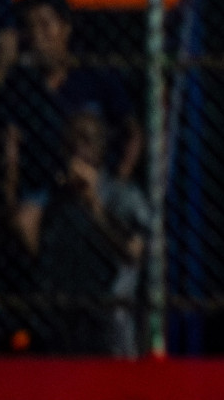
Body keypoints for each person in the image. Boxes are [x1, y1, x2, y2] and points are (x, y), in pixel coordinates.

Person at [2, 0, 142, 254]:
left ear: (65, 28)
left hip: (97, 178)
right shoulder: (23, 87)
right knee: (23, 222)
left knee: (116, 223)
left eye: (46, 25)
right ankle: (49, 272)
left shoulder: (94, 75)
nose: (38, 36)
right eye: (30, 27)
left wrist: (119, 179)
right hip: (47, 183)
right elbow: (12, 147)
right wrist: (10, 200)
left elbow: (133, 133)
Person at [35, 109, 149, 354]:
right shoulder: (58, 201)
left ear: (101, 147)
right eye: (72, 140)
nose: (78, 147)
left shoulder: (124, 196)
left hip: (111, 320)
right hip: (65, 323)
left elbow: (133, 253)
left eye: (86, 139)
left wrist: (95, 206)